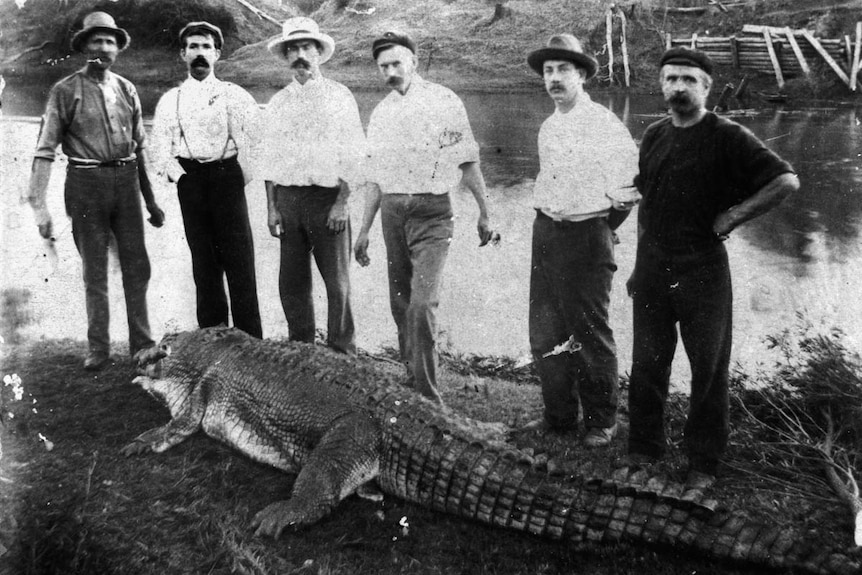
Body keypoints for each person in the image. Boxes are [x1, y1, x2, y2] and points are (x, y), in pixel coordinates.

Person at [626, 47, 799, 486]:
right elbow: (649, 201)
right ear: (661, 85)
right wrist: (637, 267)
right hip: (653, 268)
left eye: (688, 79)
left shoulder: (728, 135)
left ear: (705, 86)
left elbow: (785, 180)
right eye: (670, 79)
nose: (678, 87)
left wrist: (734, 216)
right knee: (647, 361)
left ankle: (703, 463)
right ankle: (644, 448)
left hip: (702, 269)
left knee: (708, 368)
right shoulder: (655, 135)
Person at [354, 31, 494, 403]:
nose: (391, 72)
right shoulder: (381, 112)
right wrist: (364, 230)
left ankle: (430, 399)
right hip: (393, 213)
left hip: (433, 213)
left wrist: (484, 211)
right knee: (400, 302)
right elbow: (374, 178)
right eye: (383, 66)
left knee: (422, 303)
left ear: (413, 62)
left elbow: (467, 161)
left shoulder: (443, 100)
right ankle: (411, 374)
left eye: (397, 63)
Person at [24, 11, 164, 371]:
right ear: (84, 45)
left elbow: (140, 147)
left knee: (138, 266)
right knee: (95, 270)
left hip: (127, 182)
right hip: (85, 185)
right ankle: (98, 348)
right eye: (96, 40)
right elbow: (44, 151)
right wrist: (39, 207)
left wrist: (151, 201)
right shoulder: (64, 91)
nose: (103, 47)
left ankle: (143, 345)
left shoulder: (127, 89)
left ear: (118, 48)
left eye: (109, 41)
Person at [523, 34, 640, 447]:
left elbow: (627, 191)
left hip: (587, 234)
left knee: (589, 331)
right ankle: (558, 416)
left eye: (563, 71)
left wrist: (603, 229)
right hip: (547, 232)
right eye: (548, 72)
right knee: (545, 330)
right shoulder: (549, 126)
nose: (554, 79)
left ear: (582, 76)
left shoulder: (604, 125)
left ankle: (602, 421)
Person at [253, 17, 365, 353]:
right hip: (288, 200)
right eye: (293, 49)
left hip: (327, 199)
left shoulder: (339, 96)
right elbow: (268, 160)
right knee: (292, 283)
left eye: (306, 47)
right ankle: (302, 352)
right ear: (286, 56)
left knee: (338, 283)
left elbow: (355, 154)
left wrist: (343, 202)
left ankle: (342, 352)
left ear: (318, 53)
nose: (300, 55)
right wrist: (272, 207)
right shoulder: (278, 103)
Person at [151, 21, 262, 339]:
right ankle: (212, 339)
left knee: (240, 261)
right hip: (192, 182)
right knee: (204, 263)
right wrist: (182, 178)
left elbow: (258, 140)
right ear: (183, 54)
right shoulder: (171, 99)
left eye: (206, 47)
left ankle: (249, 341)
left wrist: (241, 175)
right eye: (193, 47)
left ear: (217, 54)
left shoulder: (233, 95)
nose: (200, 53)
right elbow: (159, 152)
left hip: (228, 178)